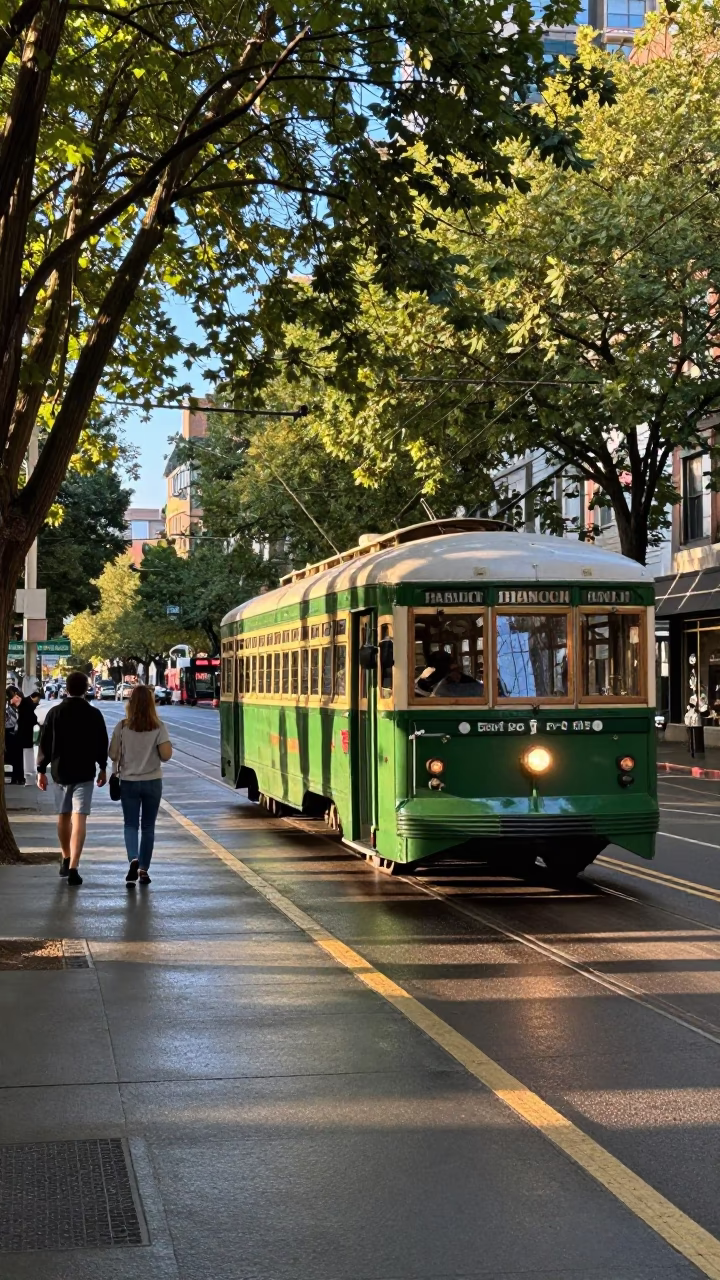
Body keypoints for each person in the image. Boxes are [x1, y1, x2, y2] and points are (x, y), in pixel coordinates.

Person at [37, 670, 108, 886]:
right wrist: (102, 767)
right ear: (86, 689)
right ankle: (75, 866)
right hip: (85, 772)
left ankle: (65, 857)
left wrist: (41, 769)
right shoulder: (94, 714)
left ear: (66, 689)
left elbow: (45, 742)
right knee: (80, 819)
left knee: (63, 816)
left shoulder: (55, 713)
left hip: (60, 772)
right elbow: (101, 743)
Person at [109, 684, 172, 886]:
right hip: (153, 782)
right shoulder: (158, 726)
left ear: (131, 703)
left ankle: (133, 858)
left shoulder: (122, 726)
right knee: (148, 827)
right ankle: (144, 869)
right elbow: (166, 756)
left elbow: (113, 754)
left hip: (128, 781)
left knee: (130, 824)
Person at [18, 689, 41, 780]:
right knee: (27, 751)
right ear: (35, 697)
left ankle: (29, 769)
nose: (38, 701)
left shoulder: (26, 702)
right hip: (26, 731)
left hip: (25, 731)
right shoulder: (28, 704)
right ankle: (28, 769)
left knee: (28, 750)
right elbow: (31, 717)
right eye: (38, 699)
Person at [4, 688, 24, 784]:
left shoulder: (17, 707)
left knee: (18, 756)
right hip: (9, 732)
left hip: (17, 732)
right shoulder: (7, 706)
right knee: (12, 756)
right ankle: (14, 777)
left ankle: (18, 777)